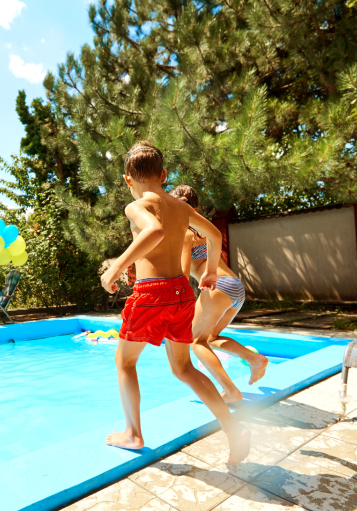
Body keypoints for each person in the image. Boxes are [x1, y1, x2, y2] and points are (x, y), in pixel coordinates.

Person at [100, 141, 251, 465]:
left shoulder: (137, 206)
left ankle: (133, 433)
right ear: (164, 174)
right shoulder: (181, 207)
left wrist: (115, 267)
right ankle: (233, 428)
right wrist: (210, 271)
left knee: (125, 363)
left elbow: (153, 231)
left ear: (128, 179)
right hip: (182, 292)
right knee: (183, 368)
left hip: (152, 294)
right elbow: (214, 237)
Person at [170, 185, 269, 403]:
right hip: (235, 286)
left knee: (195, 341)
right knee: (210, 337)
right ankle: (254, 359)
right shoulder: (204, 228)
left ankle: (231, 391)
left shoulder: (184, 232)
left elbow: (184, 274)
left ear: (182, 204)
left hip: (218, 288)